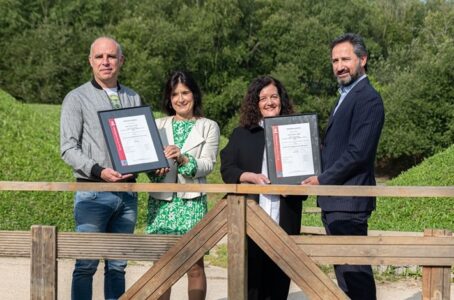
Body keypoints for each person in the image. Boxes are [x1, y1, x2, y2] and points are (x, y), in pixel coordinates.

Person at [302, 33, 385, 300]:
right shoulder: (345, 96)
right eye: (335, 60)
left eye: (345, 59)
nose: (339, 65)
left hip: (350, 201)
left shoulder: (368, 98)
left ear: (362, 59)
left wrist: (323, 179)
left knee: (355, 274)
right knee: (345, 275)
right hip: (335, 202)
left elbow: (358, 153)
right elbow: (336, 147)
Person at [60, 36, 141, 300]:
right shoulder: (76, 98)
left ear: (121, 61)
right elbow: (68, 148)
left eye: (111, 56)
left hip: (128, 195)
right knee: (86, 265)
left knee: (118, 267)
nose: (105, 62)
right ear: (90, 61)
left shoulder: (132, 97)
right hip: (93, 192)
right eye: (99, 57)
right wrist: (98, 171)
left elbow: (139, 141)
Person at [220, 75, 306, 300]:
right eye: (263, 98)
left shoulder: (296, 133)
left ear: (282, 99)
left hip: (285, 218)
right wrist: (247, 177)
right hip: (250, 220)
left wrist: (296, 187)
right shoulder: (242, 134)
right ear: (255, 103)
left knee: (278, 285)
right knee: (251, 286)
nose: (269, 102)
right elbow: (227, 169)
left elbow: (309, 174)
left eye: (274, 96)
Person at [146, 71, 220, 300]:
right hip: (162, 203)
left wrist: (183, 158)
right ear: (169, 98)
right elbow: (148, 164)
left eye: (185, 93)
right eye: (175, 94)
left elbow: (208, 164)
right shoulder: (156, 125)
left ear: (194, 95)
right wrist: (154, 168)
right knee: (161, 266)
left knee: (195, 265)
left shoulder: (209, 126)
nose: (180, 99)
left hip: (192, 201)